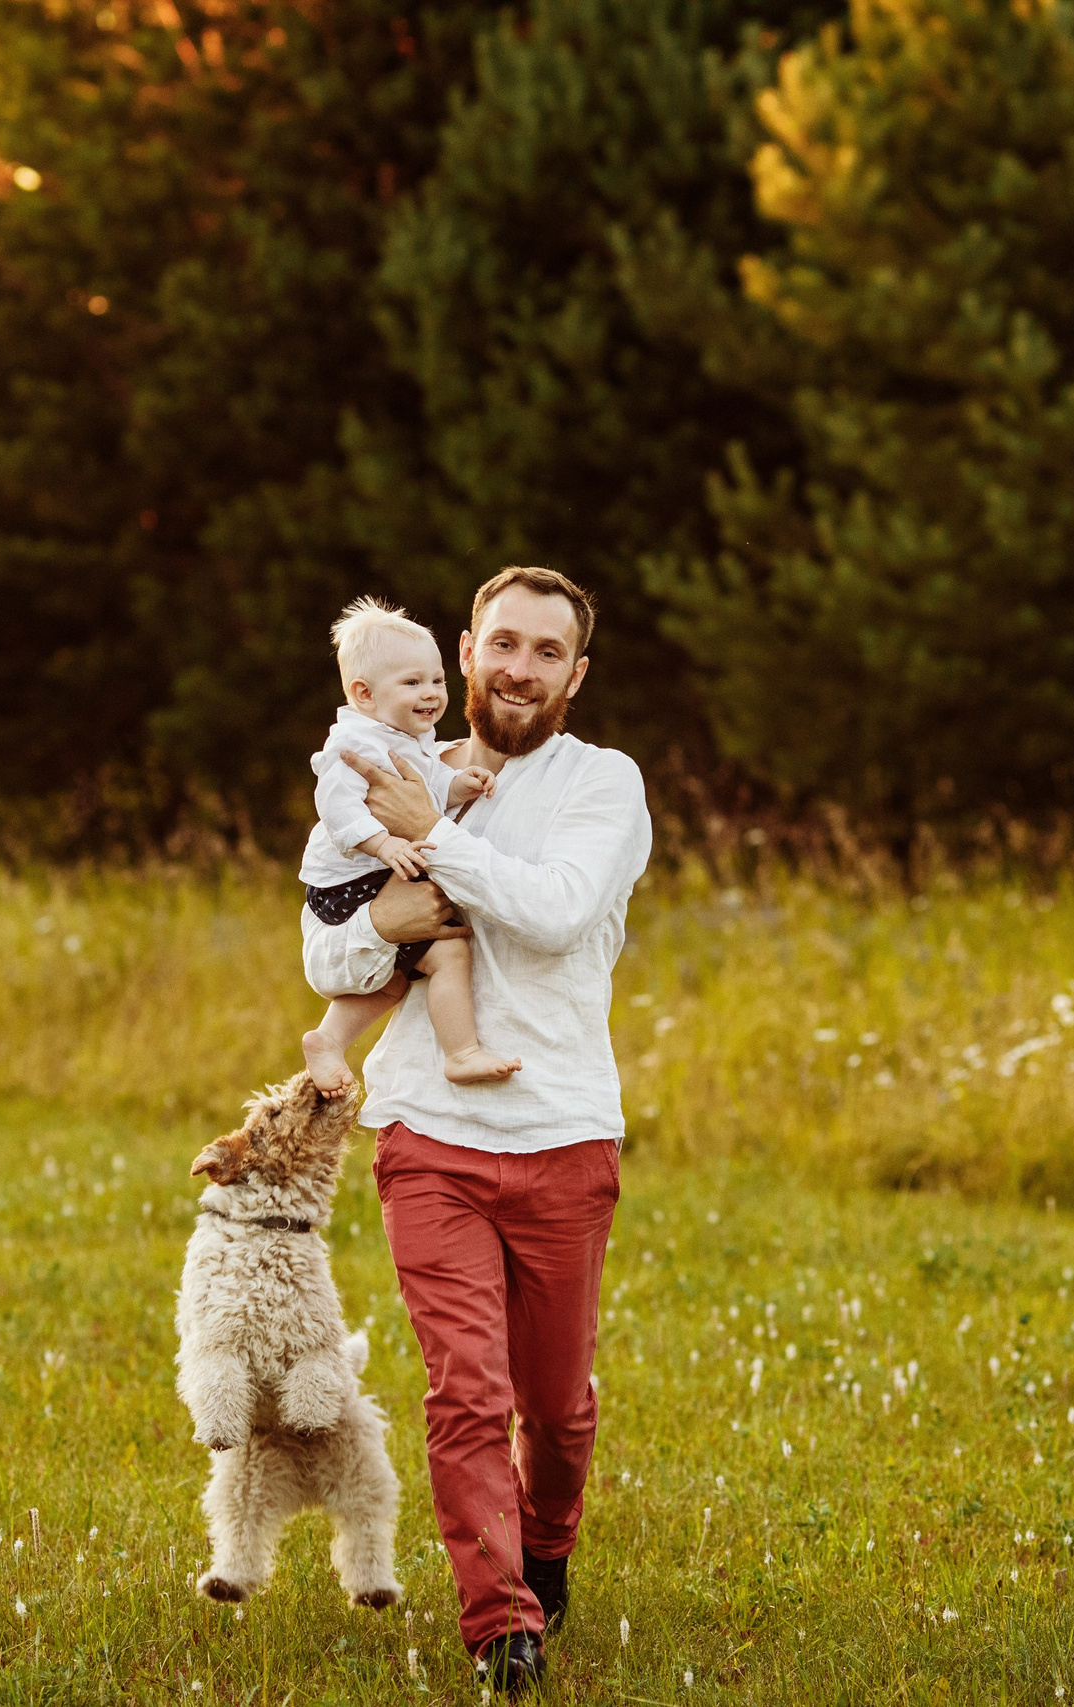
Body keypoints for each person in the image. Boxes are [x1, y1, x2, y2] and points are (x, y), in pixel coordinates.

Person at [303, 567, 651, 1692]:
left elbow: (552, 915)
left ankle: (544, 1548)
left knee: (555, 1410)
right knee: (464, 1393)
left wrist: (431, 845)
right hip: (428, 1133)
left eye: (546, 652)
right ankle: (501, 1626)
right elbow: (328, 953)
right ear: (463, 651)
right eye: (503, 643)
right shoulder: (392, 765)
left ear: (574, 674)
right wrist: (388, 917)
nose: (519, 667)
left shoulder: (605, 784)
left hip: (560, 1132)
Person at [297, 597, 513, 1097]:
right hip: (349, 881)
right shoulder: (355, 745)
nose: (432, 693)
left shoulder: (404, 737)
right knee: (447, 956)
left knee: (393, 980)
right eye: (412, 683)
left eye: (436, 680)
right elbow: (337, 807)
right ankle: (461, 1054)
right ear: (364, 694)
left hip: (368, 877)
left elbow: (428, 781)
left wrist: (459, 785)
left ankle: (329, 1039)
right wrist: (383, 843)